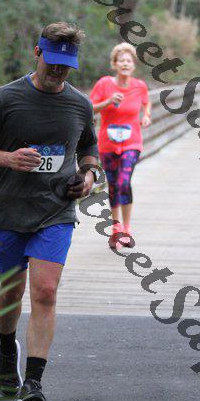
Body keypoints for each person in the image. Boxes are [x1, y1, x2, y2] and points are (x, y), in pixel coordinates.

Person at [0, 22, 100, 401]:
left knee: (45, 291)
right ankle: (8, 350)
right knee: (11, 291)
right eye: (52, 61)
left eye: (66, 65)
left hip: (55, 211)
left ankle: (33, 385)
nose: (57, 70)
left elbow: (89, 149)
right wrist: (8, 158)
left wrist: (89, 177)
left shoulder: (79, 105)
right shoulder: (4, 99)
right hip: (8, 212)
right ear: (37, 53)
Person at [89, 42, 151, 249]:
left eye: (128, 61)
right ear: (114, 64)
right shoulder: (104, 84)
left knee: (124, 182)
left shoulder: (139, 85)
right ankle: (116, 229)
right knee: (114, 184)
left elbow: (146, 102)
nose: (125, 64)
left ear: (133, 65)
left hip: (132, 142)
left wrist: (146, 115)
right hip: (107, 143)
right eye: (121, 60)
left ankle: (127, 228)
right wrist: (108, 101)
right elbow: (90, 108)